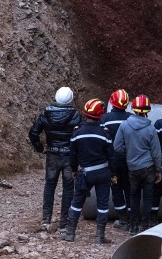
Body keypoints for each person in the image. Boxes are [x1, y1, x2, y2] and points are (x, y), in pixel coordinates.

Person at [28, 86, 82, 233]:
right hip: (69, 156)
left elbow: (33, 133)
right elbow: (81, 135)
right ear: (71, 99)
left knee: (50, 185)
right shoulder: (76, 115)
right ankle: (65, 221)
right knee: (68, 187)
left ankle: (46, 218)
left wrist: (40, 148)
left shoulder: (46, 113)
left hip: (52, 154)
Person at [64, 98, 115, 244]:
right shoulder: (104, 133)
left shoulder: (77, 132)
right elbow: (111, 156)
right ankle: (99, 236)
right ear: (100, 115)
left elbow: (72, 155)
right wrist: (113, 173)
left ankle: (70, 233)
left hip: (85, 173)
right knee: (103, 204)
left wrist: (74, 170)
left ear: (85, 114)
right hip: (103, 173)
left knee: (77, 202)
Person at [114, 94, 162, 234]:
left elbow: (117, 147)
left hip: (132, 168)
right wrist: (158, 170)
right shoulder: (151, 128)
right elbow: (156, 152)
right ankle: (145, 226)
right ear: (147, 111)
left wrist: (129, 152)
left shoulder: (124, 125)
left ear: (133, 108)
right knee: (148, 197)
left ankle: (133, 227)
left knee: (133, 197)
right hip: (148, 168)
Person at [99, 89, 132, 230]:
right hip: (130, 161)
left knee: (116, 188)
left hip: (112, 162)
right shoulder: (132, 118)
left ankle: (123, 219)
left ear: (112, 102)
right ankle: (132, 219)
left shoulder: (105, 119)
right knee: (130, 188)